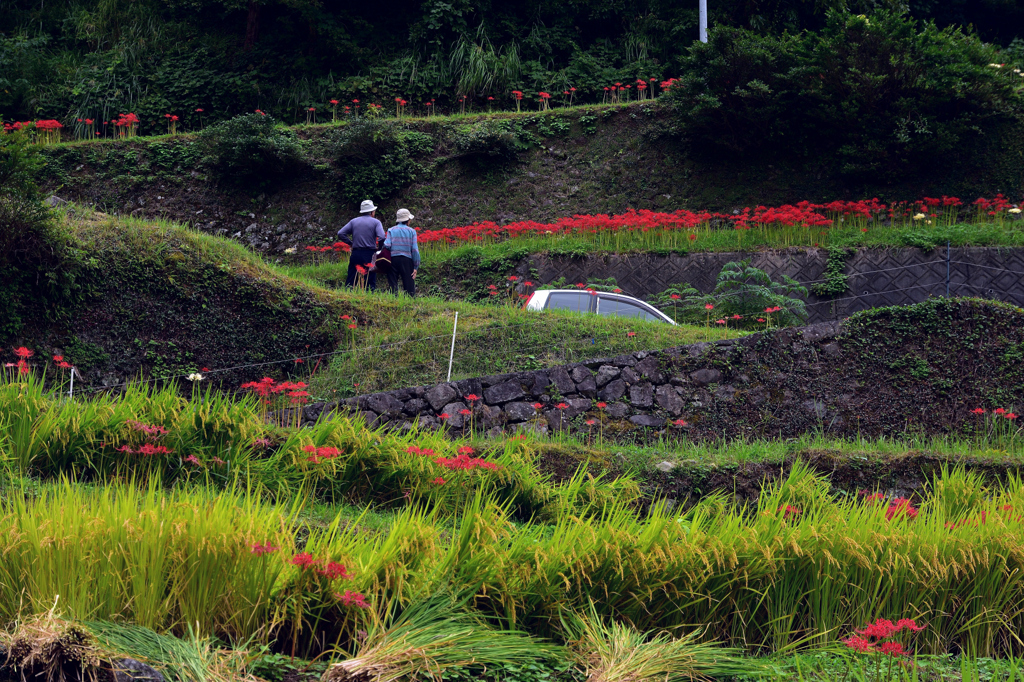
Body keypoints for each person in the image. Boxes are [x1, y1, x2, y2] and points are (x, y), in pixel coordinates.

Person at [337, 199, 385, 290]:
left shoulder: (354, 221)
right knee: (369, 280)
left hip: (355, 253)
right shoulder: (376, 222)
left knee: (351, 278)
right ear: (372, 212)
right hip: (369, 253)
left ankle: (347, 296)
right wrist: (379, 250)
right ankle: (368, 299)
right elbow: (382, 237)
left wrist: (350, 243)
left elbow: (340, 233)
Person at [384, 208, 420, 296]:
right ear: (408, 220)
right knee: (409, 287)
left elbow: (387, 245)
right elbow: (414, 250)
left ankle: (394, 302)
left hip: (393, 259)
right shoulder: (412, 231)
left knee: (393, 285)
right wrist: (415, 266)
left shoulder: (391, 230)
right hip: (407, 260)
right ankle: (410, 304)